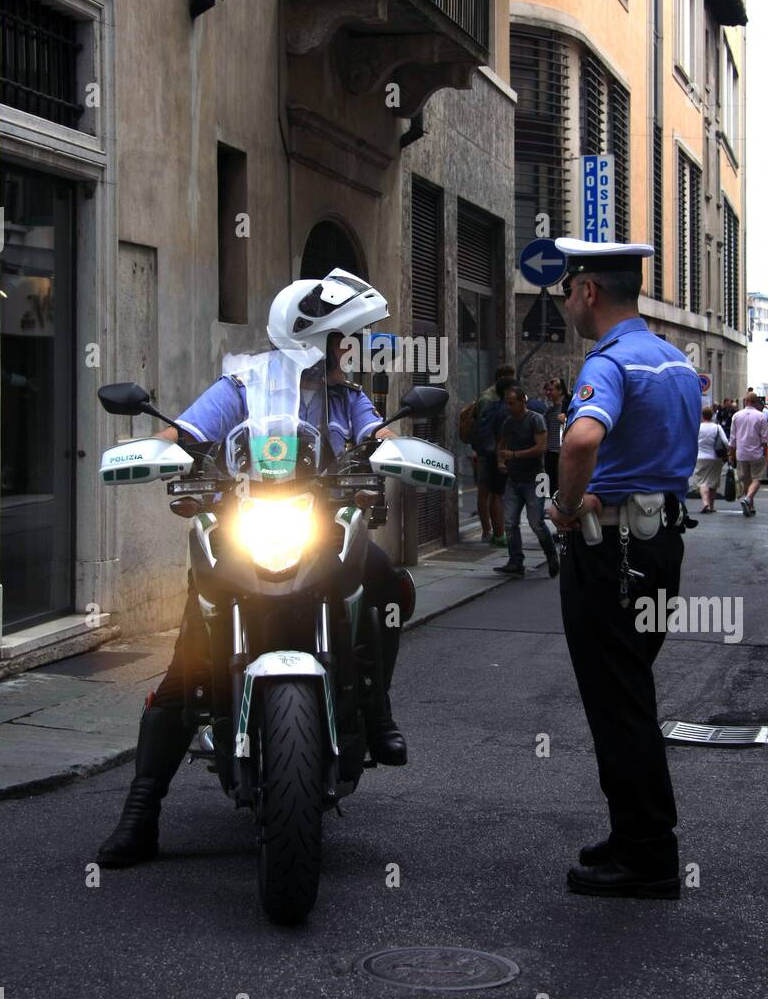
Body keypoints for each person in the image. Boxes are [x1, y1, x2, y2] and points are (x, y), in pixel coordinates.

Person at [97, 269, 408, 869]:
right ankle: (140, 814)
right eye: (341, 340)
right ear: (308, 340)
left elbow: (377, 438)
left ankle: (376, 707)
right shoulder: (242, 382)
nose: (348, 350)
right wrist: (161, 451)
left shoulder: (349, 396)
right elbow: (186, 430)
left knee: (389, 583)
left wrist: (395, 450)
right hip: (246, 531)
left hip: (325, 533)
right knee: (184, 668)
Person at [547, 238, 701, 900]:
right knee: (631, 689)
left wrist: (562, 504)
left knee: (620, 701)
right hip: (662, 544)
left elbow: (583, 437)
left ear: (587, 292)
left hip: (613, 554)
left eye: (567, 293)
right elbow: (654, 458)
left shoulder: (607, 363)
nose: (567, 305)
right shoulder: (673, 361)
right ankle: (634, 833)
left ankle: (647, 856)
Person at [493, 385, 559, 579]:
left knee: (536, 522)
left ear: (523, 401)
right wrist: (500, 461)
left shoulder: (535, 420)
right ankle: (515, 562)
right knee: (510, 522)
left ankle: (551, 555)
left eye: (512, 404)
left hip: (536, 478)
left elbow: (541, 448)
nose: (509, 407)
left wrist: (513, 455)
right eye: (507, 404)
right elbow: (501, 445)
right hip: (514, 478)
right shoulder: (508, 423)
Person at [470, 366, 514, 546]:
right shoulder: (493, 401)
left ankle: (490, 531)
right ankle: (493, 532)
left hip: (484, 451)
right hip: (493, 453)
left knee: (486, 492)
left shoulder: (486, 398)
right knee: (493, 493)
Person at [728, 393, 768, 516]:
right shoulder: (761, 416)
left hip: (741, 453)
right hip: (756, 453)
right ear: (756, 402)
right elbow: (764, 439)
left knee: (746, 481)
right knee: (757, 479)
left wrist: (731, 454)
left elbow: (733, 438)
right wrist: (765, 454)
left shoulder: (737, 416)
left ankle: (750, 506)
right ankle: (748, 499)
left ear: (745, 401)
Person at [693, 405, 729, 513]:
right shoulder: (717, 427)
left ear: (702, 415)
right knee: (713, 483)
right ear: (712, 415)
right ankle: (712, 506)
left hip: (700, 457)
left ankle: (705, 503)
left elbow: (692, 442)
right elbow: (726, 442)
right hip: (715, 458)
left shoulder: (698, 427)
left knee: (703, 482)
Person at [542, 377, 567, 497]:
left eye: (551, 390)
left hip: (562, 453)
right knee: (552, 486)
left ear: (560, 391)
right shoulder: (549, 412)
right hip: (550, 453)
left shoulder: (566, 409)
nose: (548, 393)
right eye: (547, 390)